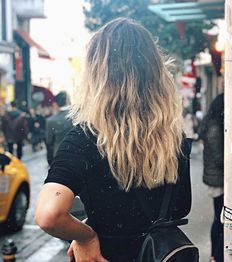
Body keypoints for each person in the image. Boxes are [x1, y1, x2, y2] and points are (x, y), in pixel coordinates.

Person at [35, 18, 192, 262]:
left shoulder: (85, 140)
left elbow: (49, 214)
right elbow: (177, 210)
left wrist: (86, 235)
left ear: (96, 75)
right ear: (155, 71)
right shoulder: (174, 139)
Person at [198, 93, 224, 262]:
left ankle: (216, 254)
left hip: (216, 179)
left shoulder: (212, 123)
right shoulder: (215, 128)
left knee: (220, 218)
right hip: (218, 180)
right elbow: (219, 158)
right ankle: (216, 254)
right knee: (221, 219)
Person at [45, 91, 73, 165]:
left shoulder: (50, 121)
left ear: (56, 104)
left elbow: (49, 140)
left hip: (59, 154)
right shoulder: (76, 118)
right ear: (68, 101)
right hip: (75, 154)